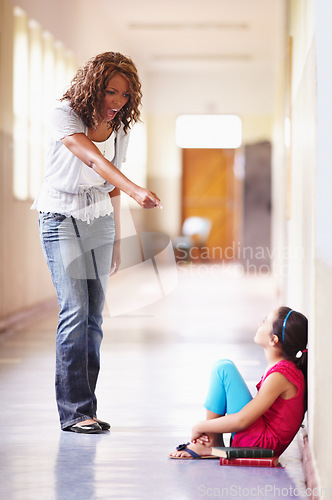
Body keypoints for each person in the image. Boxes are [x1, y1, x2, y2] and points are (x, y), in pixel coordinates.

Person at [32, 52, 161, 434]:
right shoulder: (65, 115)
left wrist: (119, 240)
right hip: (60, 217)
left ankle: (86, 409)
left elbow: (110, 184)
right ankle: (73, 412)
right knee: (74, 311)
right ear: (93, 87)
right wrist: (136, 189)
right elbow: (91, 160)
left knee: (93, 319)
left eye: (124, 95)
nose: (116, 102)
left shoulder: (120, 127)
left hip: (100, 220)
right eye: (109, 92)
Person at [169, 307, 308, 458]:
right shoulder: (281, 368)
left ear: (273, 339)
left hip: (261, 444)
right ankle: (211, 441)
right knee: (223, 367)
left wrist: (200, 426)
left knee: (223, 369)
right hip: (261, 437)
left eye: (265, 322)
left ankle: (210, 444)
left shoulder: (280, 376)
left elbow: (243, 420)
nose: (259, 323)